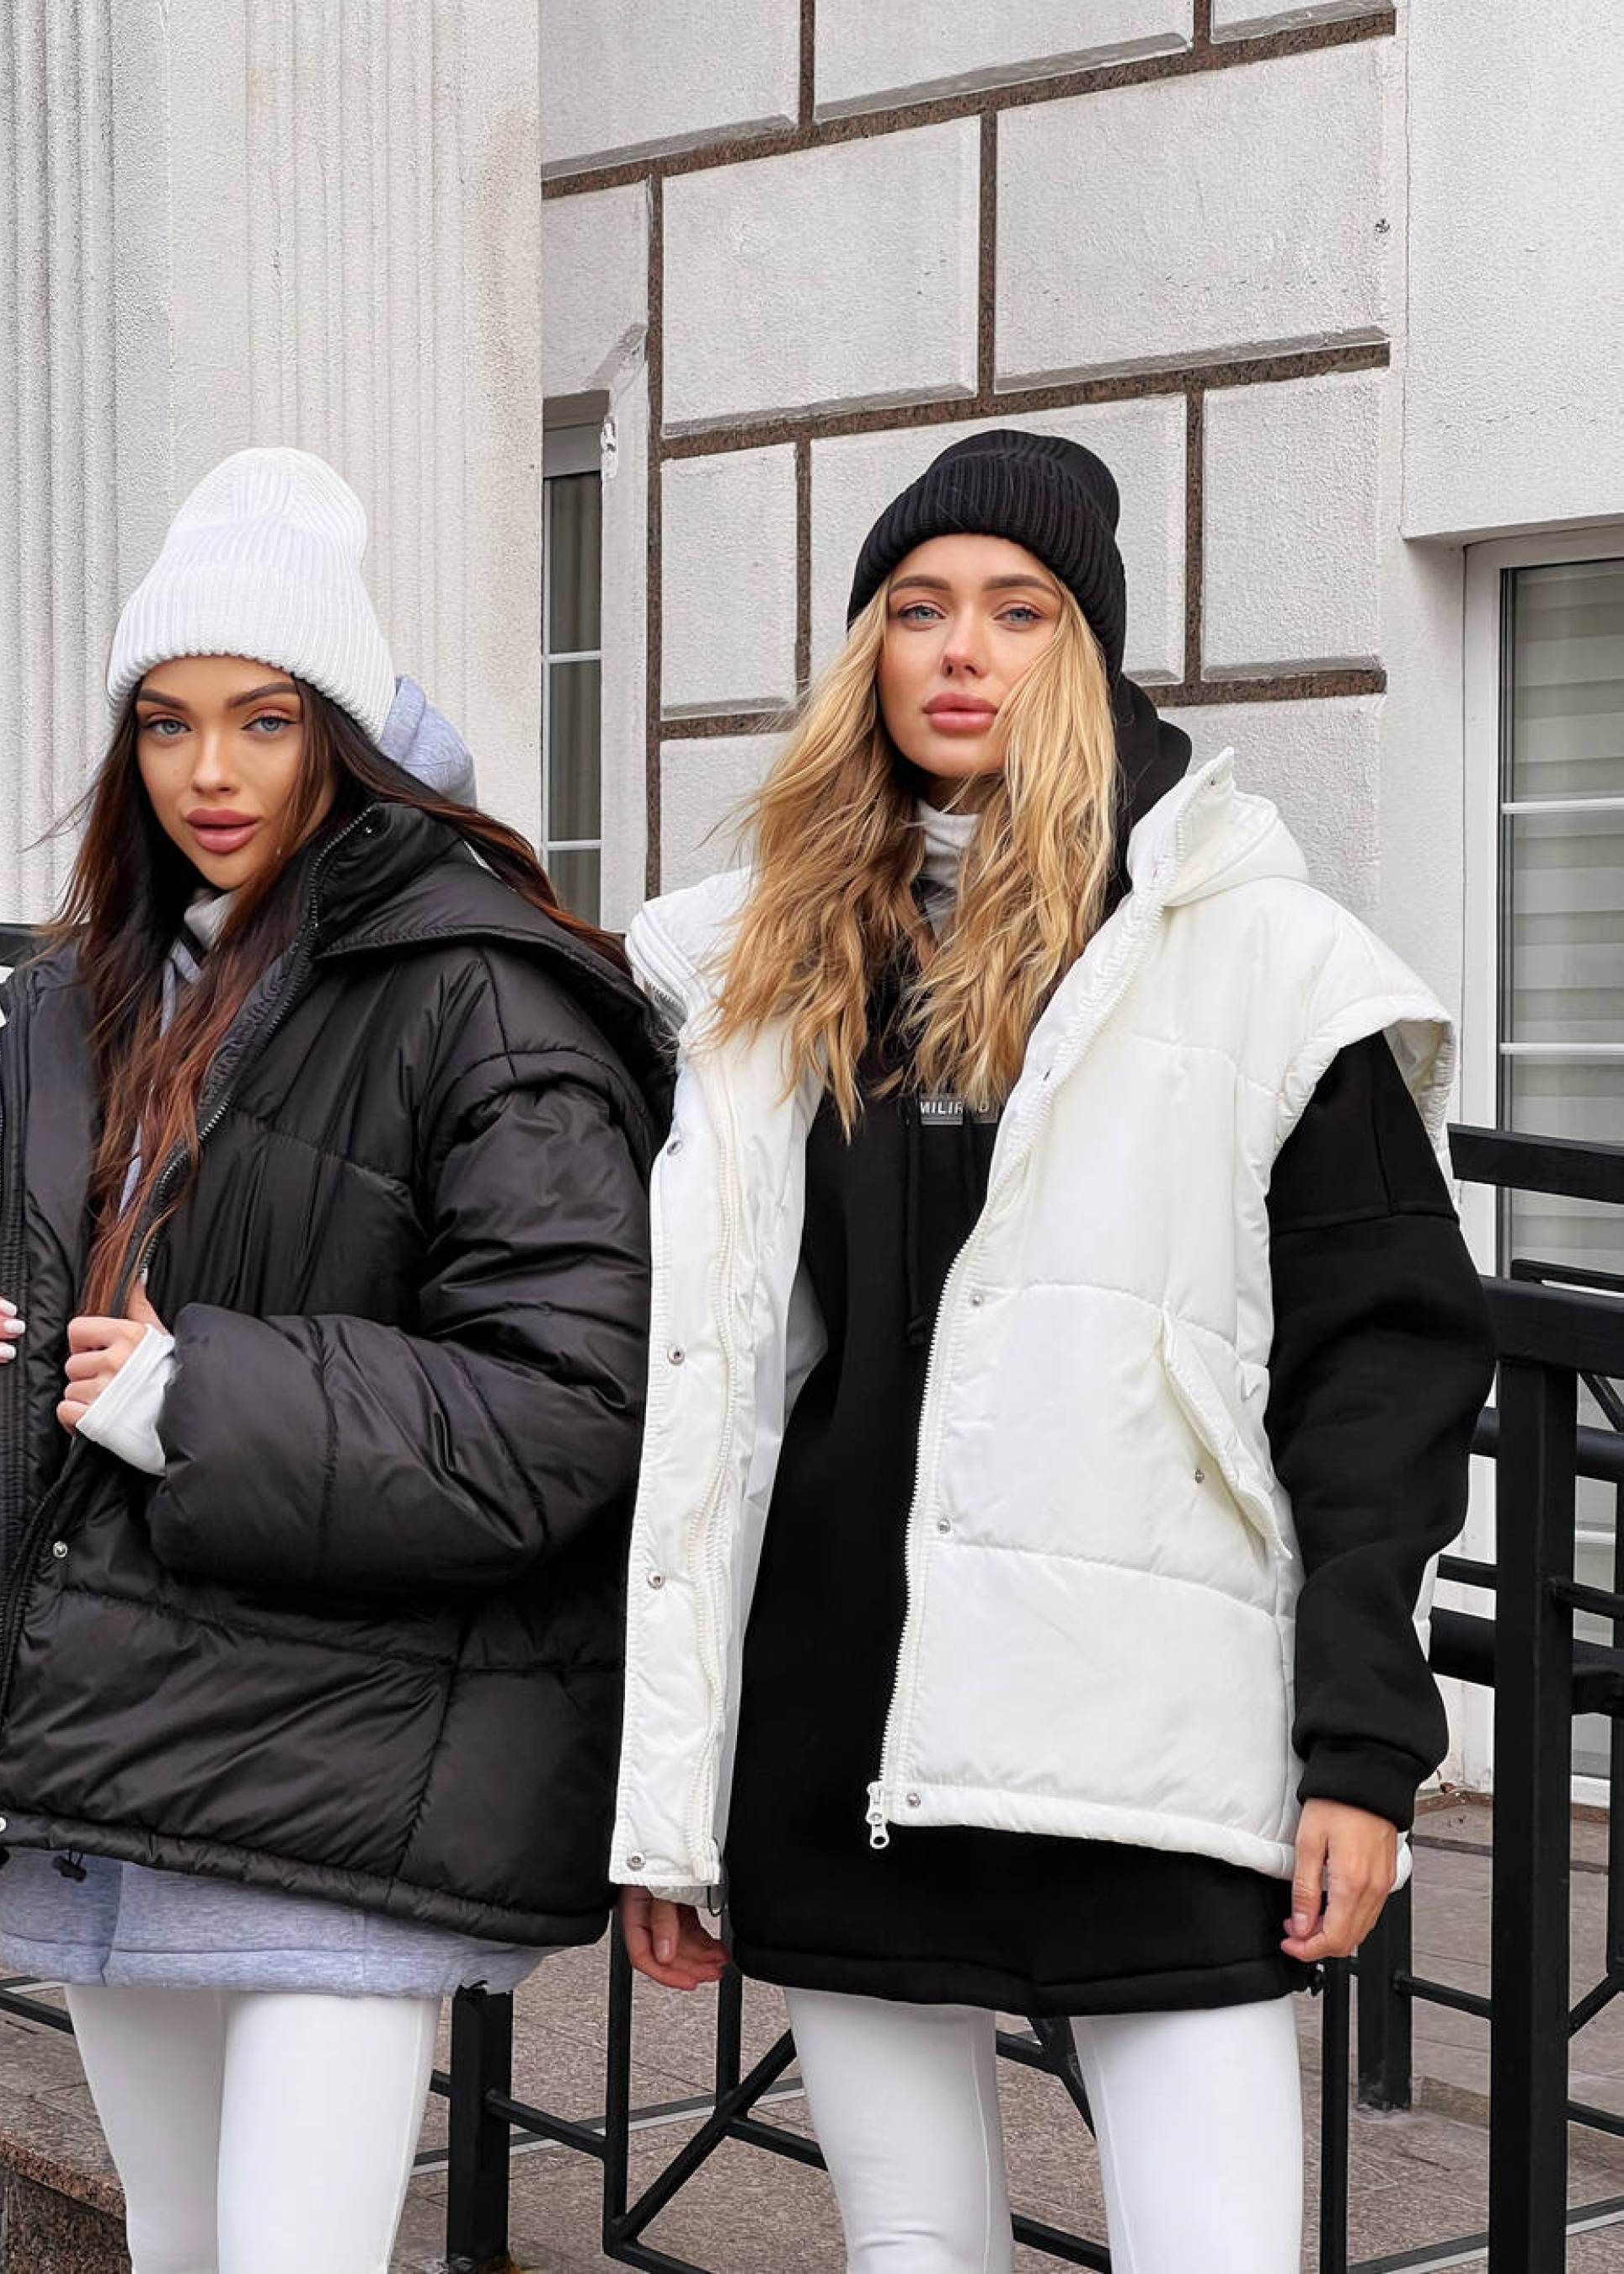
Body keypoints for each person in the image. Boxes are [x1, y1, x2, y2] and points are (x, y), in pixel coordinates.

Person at [610, 430, 1495, 2271]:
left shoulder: (1258, 958)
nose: (961, 650)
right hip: (842, 1712)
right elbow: (705, 1391)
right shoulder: (758, 966)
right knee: (910, 2249)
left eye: (1017, 612)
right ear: (864, 651)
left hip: (1145, 1724)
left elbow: (1384, 1369)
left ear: (1086, 654)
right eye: (916, 608)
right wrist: (671, 1806)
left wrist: (1358, 1749)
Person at [0, 449, 662, 2274]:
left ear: (344, 727)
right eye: (165, 723)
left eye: (263, 720)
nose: (211, 772)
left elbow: (567, 1408)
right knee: (177, 2244)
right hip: (116, 1751)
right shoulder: (86, 998)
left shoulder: (483, 988)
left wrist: (196, 1397)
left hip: (351, 1759)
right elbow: (35, 1380)